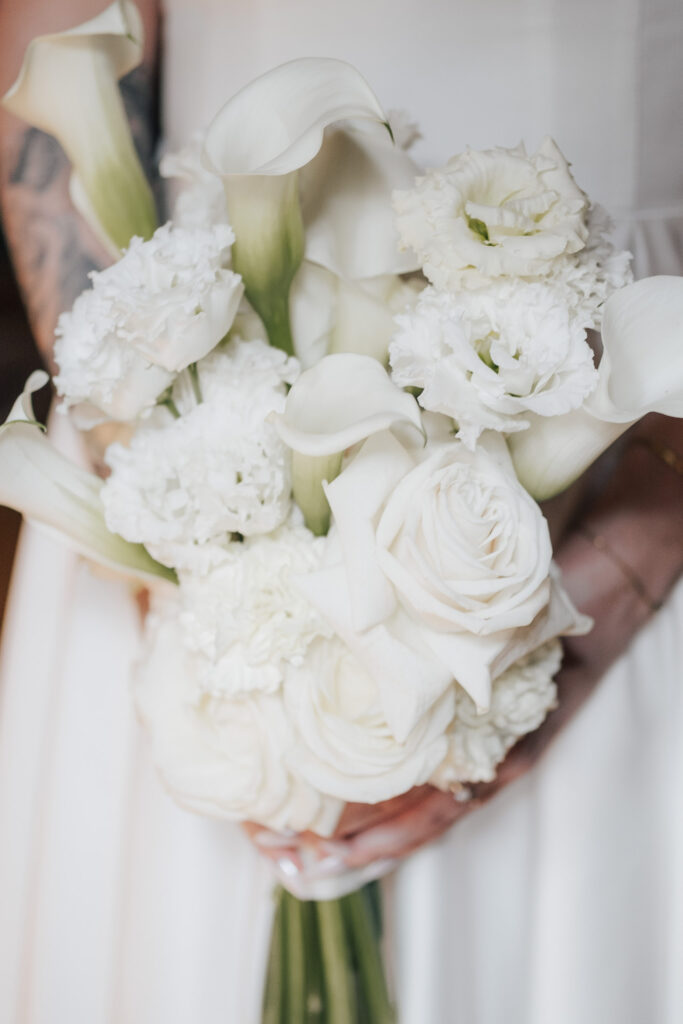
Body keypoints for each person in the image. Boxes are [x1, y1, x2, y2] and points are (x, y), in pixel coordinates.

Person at [0, 0, 682, 1021]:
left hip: (621, 378)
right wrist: (187, 509)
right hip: (200, 358)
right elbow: (53, 107)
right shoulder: (181, 438)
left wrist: (633, 542)